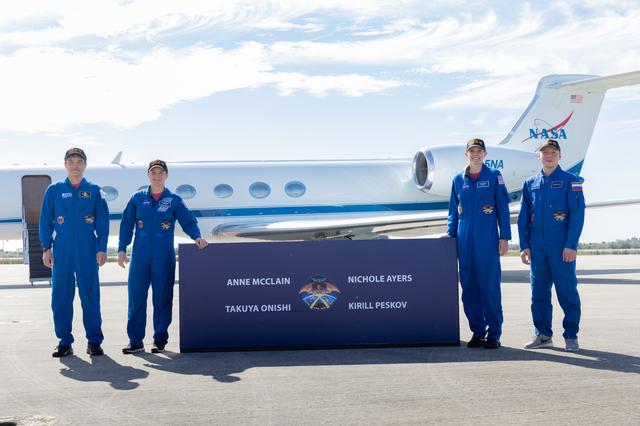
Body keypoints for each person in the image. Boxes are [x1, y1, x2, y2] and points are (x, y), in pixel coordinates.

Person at [118, 159, 208, 354]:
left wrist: (197, 237)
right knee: (136, 298)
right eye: (153, 172)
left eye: (161, 172)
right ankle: (135, 341)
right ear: (148, 175)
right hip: (140, 256)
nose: (157, 176)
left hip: (163, 256)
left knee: (162, 298)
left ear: (166, 175)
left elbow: (188, 221)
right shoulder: (137, 198)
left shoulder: (174, 200)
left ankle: (160, 340)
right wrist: (122, 248)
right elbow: (126, 224)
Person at [39, 148, 109, 357]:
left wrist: (101, 248)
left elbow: (102, 222)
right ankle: (64, 342)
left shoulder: (94, 191)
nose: (75, 165)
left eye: (79, 161)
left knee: (90, 296)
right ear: (65, 164)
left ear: (85, 165)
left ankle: (94, 341)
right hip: (62, 251)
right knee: (61, 297)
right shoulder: (54, 190)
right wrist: (46, 248)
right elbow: (45, 220)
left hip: (87, 250)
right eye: (71, 161)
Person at [518, 139, 585, 352]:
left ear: (559, 156)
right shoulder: (530, 184)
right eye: (545, 152)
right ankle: (543, 335)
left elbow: (577, 216)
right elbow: (523, 217)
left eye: (553, 152)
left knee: (567, 292)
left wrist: (571, 245)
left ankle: (571, 336)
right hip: (537, 249)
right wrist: (524, 245)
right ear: (539, 156)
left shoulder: (571, 181)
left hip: (561, 248)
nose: (549, 156)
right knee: (538, 294)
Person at [446, 138, 511, 349]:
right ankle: (478, 332)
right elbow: (453, 212)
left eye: (479, 151)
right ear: (466, 154)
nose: (476, 154)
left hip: (487, 241)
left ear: (485, 154)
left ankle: (494, 334)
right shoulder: (458, 180)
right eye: (472, 151)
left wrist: (504, 237)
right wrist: (450, 237)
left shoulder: (494, 177)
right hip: (464, 242)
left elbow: (502, 208)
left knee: (490, 288)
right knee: (469, 289)